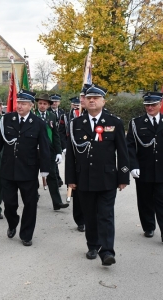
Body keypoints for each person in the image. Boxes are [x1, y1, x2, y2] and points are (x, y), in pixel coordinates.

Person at [65, 84, 130, 266]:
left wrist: (123, 177)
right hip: (83, 179)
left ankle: (107, 251)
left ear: (103, 101)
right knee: (90, 215)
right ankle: (93, 245)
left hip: (107, 178)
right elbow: (71, 154)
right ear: (84, 101)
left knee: (106, 215)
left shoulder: (114, 122)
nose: (91, 100)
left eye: (96, 98)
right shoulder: (76, 124)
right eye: (88, 98)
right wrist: (70, 179)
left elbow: (123, 153)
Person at [0, 89, 50, 246]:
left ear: (30, 106)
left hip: (28, 170)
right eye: (18, 103)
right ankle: (13, 222)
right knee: (9, 204)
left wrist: (45, 169)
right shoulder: (7, 120)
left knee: (30, 203)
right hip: (8, 169)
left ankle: (26, 234)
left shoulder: (38, 123)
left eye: (23, 103)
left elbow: (44, 147)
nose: (19, 106)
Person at [126, 92, 163, 242]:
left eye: (153, 105)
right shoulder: (136, 123)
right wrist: (132, 165)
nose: (150, 107)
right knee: (145, 200)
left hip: (162, 169)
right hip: (143, 169)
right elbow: (129, 146)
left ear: (160, 104)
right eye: (147, 105)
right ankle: (148, 227)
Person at [35, 93, 69, 210]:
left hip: (49, 150)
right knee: (32, 176)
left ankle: (57, 202)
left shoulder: (52, 116)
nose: (42, 106)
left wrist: (58, 152)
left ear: (49, 105)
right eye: (40, 103)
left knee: (52, 176)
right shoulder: (32, 115)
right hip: (34, 150)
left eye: (45, 104)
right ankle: (33, 198)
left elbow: (56, 135)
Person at [65, 96, 85, 232]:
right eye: (83, 97)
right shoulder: (73, 120)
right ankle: (80, 220)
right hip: (79, 163)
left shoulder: (109, 120)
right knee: (78, 196)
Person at [48, 94, 66, 186]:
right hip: (51, 139)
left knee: (56, 159)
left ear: (59, 102)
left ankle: (57, 178)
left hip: (60, 138)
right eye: (53, 101)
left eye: (56, 101)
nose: (54, 103)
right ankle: (57, 179)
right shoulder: (47, 112)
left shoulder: (63, 112)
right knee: (54, 160)